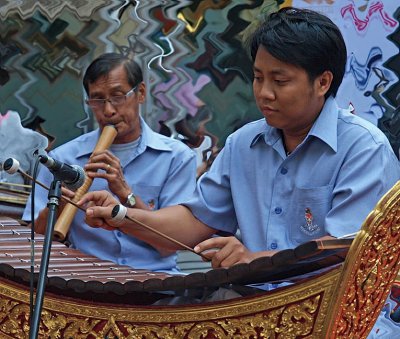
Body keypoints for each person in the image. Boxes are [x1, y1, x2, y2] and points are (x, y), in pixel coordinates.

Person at [78, 8, 400, 272]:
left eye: (280, 80)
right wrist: (122, 215)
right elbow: (193, 221)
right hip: (253, 308)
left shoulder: (363, 148)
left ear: (323, 82)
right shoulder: (243, 143)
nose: (264, 93)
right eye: (258, 78)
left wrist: (252, 260)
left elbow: (346, 252)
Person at [23, 53, 197, 273]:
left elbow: (169, 246)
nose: (108, 111)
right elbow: (34, 243)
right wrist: (57, 206)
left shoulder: (177, 158)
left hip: (156, 285)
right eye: (98, 100)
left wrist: (126, 195)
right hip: (84, 284)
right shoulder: (62, 160)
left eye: (117, 96)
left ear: (140, 93)